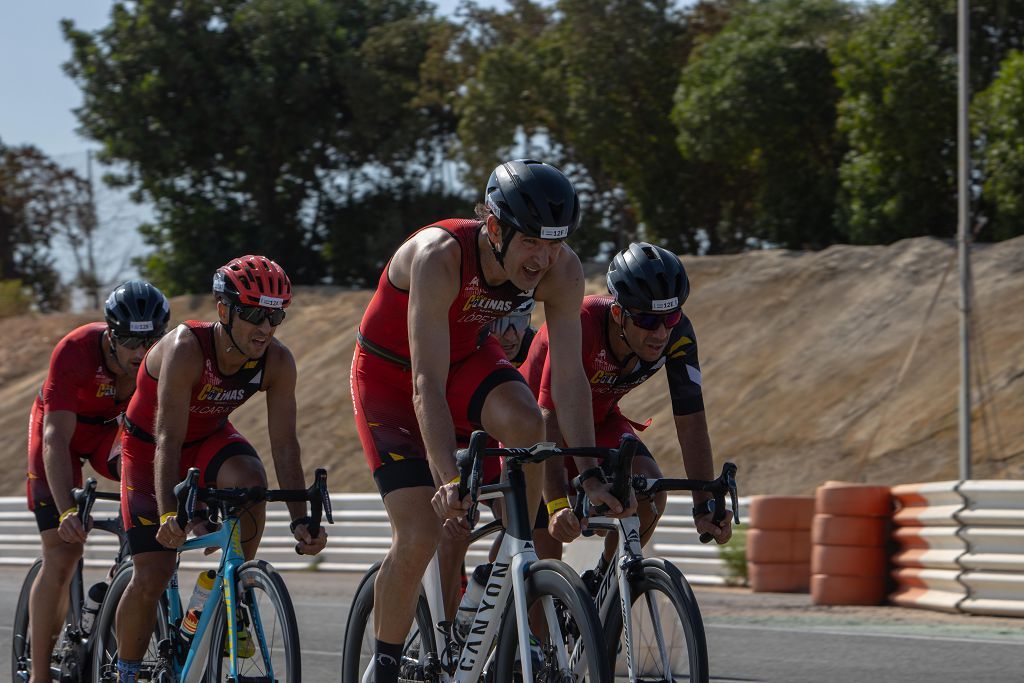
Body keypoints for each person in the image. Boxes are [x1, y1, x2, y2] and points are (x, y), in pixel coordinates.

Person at [350, 159, 633, 683]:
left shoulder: (562, 269)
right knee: (419, 533)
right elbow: (424, 384)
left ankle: (507, 565)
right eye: (531, 242)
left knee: (529, 423)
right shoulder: (441, 256)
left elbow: (570, 377)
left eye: (554, 243)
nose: (543, 258)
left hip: (465, 358)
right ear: (496, 228)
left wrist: (588, 470)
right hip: (391, 377)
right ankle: (386, 665)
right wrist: (448, 479)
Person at [113, 255, 327, 683]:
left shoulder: (278, 362)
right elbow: (167, 440)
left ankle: (236, 594)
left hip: (209, 439)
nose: (265, 328)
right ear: (224, 309)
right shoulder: (185, 348)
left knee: (251, 480)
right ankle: (126, 671)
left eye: (276, 316)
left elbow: (285, 445)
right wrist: (171, 513)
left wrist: (300, 519)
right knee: (154, 571)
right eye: (254, 315)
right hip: (150, 445)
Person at [520, 242, 733, 579]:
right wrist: (558, 502)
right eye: (648, 319)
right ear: (619, 314)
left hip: (599, 421)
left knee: (650, 490)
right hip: (535, 428)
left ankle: (606, 583)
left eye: (671, 317)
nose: (661, 332)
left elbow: (691, 422)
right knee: (547, 561)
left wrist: (703, 503)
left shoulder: (678, 336)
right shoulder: (581, 323)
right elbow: (549, 416)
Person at [25, 279, 169, 683]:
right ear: (110, 335)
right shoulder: (75, 351)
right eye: (131, 344)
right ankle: (39, 675)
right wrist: (68, 510)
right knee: (63, 551)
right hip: (61, 438)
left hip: (110, 434)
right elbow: (55, 439)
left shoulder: (159, 360)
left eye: (151, 342)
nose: (142, 354)